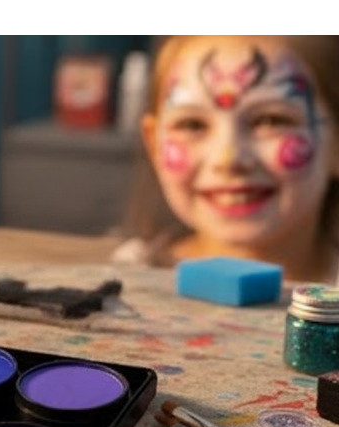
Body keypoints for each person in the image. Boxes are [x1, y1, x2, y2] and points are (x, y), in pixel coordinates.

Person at [113, 35, 339, 283]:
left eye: (271, 121)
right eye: (192, 124)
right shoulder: (129, 279)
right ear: (154, 144)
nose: (228, 158)